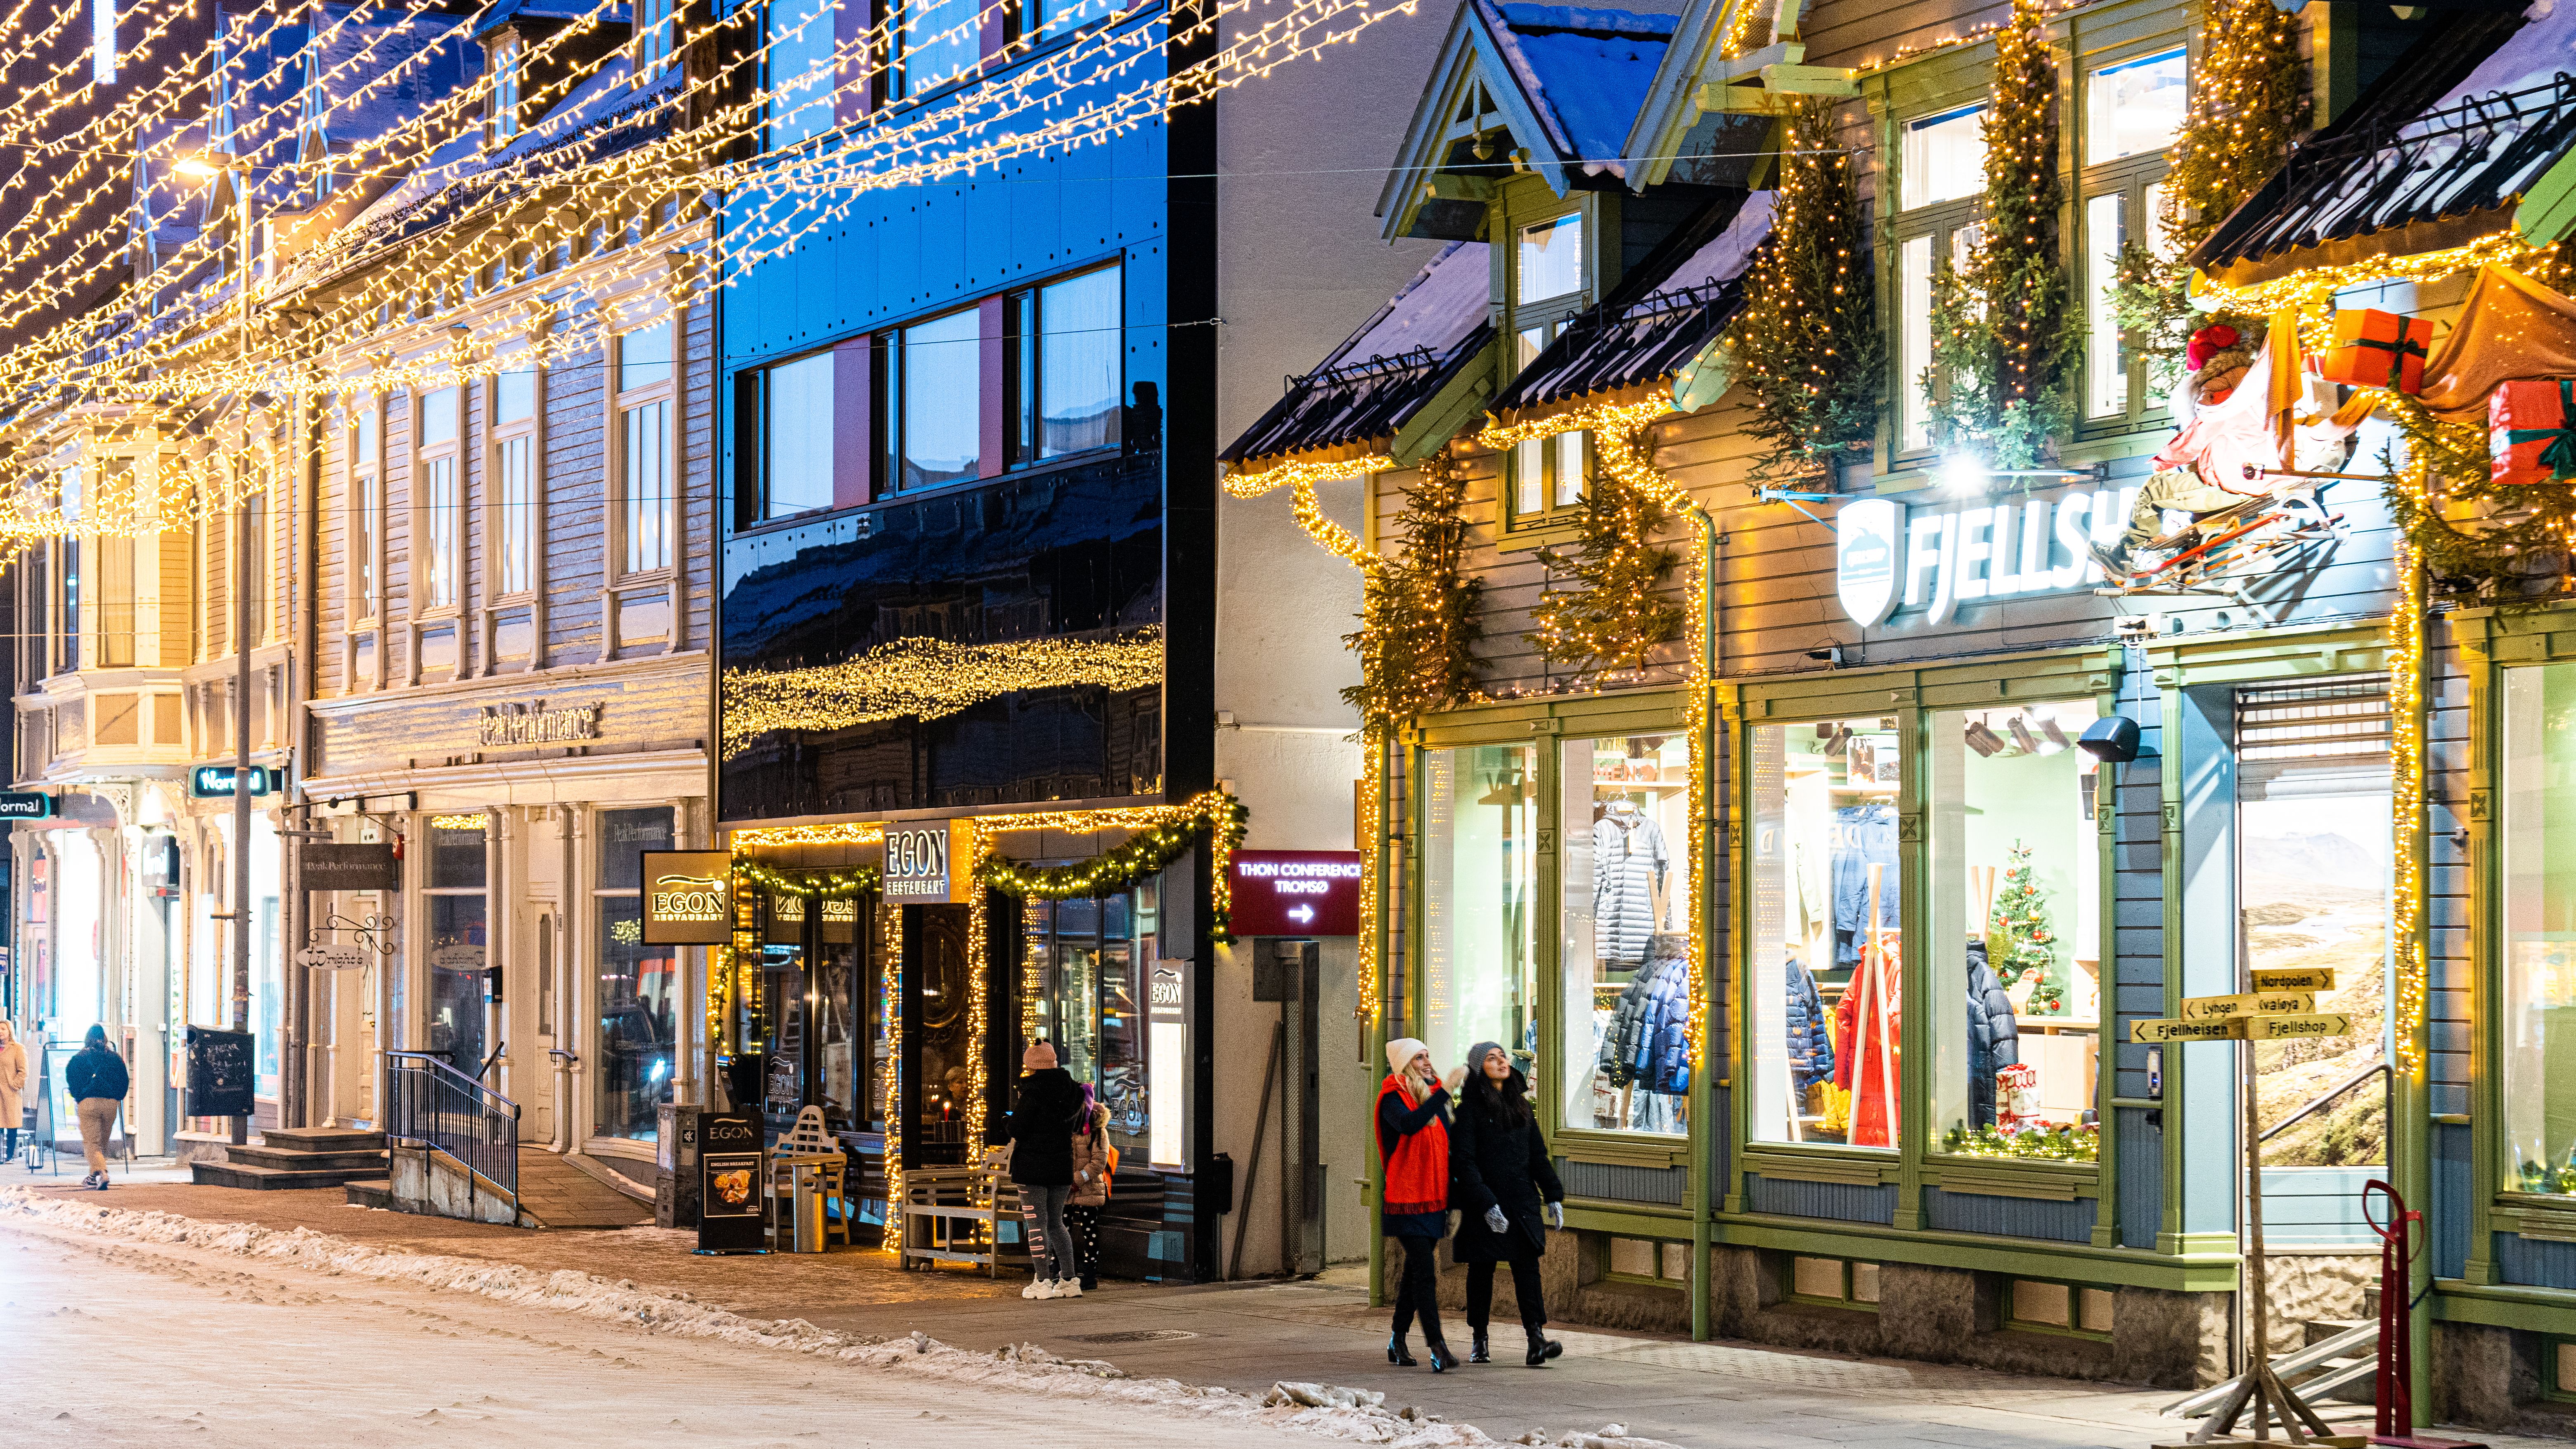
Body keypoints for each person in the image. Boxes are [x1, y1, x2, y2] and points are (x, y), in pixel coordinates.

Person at [1448, 1041, 1566, 1367]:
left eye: (1502, 1056)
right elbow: (1464, 1162)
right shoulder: (1469, 1111)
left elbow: (1538, 1157)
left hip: (1521, 1201)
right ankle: (1479, 1340)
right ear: (1478, 1068)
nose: (1501, 1061)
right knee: (1482, 1270)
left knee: (1528, 1269)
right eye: (1491, 1058)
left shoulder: (1522, 1107)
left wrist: (1554, 1195)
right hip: (1483, 1202)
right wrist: (1486, 1204)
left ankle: (1536, 1339)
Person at [1376, 1036, 1459, 1372]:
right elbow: (1410, 1126)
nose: (1426, 1062)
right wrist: (1445, 1091)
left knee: (1415, 1272)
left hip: (1434, 1199)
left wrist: (1454, 1201)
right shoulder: (1392, 1099)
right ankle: (1438, 1347)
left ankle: (1397, 1338)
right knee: (1425, 1272)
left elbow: (1448, 1149)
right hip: (1405, 1201)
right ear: (1404, 1065)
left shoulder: (1435, 1095)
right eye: (1418, 1058)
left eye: (1427, 1055)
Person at [1003, 1040, 1087, 1299]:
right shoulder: (1074, 1092)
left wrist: (1007, 1120)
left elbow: (1017, 1129)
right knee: (1056, 1224)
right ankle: (1070, 1280)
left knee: (1036, 1225)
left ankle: (1042, 1280)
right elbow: (1077, 1126)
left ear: (1032, 1067)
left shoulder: (1032, 1094)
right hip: (1061, 1167)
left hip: (1032, 1169)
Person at [1065, 1083, 1117, 1292]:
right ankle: (1061, 1269)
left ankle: (1089, 1273)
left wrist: (1077, 1180)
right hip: (1067, 1189)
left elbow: (1099, 1162)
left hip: (1089, 1188)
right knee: (1063, 1228)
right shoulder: (1066, 1126)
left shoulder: (1098, 1131)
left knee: (1090, 1230)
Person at [64, 1025, 127, 1190]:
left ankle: (103, 1173)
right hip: (111, 1104)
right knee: (102, 1143)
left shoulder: (79, 1059)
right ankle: (93, 1177)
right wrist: (118, 1096)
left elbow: (71, 1077)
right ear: (105, 1039)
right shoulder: (115, 1058)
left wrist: (79, 1096)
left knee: (92, 1143)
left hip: (88, 1103)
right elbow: (124, 1080)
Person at [0, 1020, 23, 1166]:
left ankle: (9, 1156)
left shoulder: (18, 1049)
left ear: (10, 1031)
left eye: (3, 1029)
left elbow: (23, 1071)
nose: (1, 1032)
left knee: (11, 1125)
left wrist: (15, 1085)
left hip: (10, 1093)